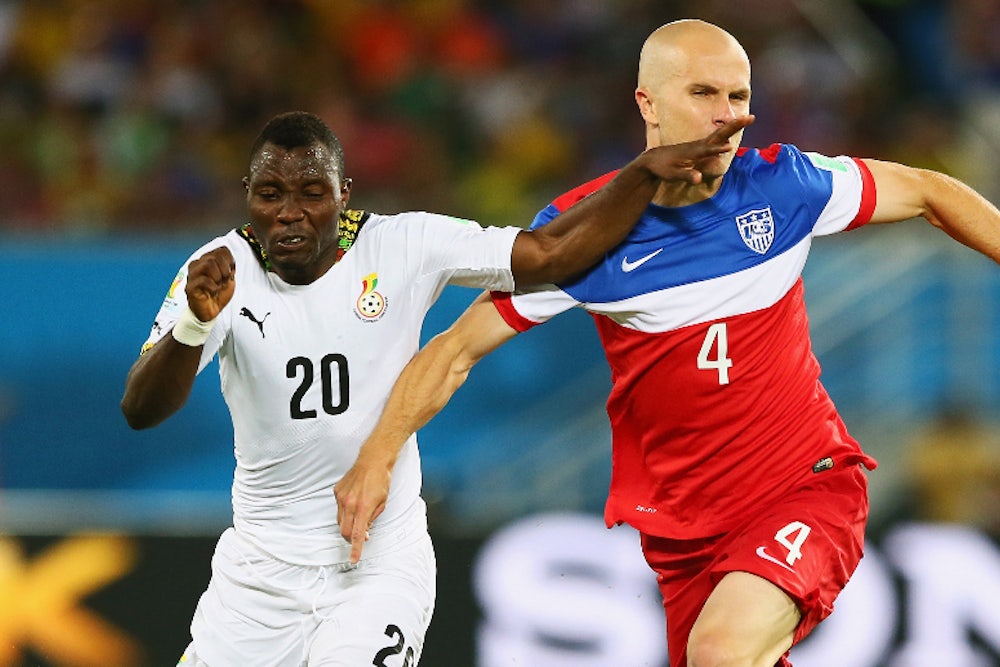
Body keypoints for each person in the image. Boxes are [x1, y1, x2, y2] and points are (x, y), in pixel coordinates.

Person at [335, 19, 1000, 667]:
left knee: (721, 653)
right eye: (703, 93)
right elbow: (454, 350)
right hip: (685, 535)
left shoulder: (786, 185)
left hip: (806, 485)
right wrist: (376, 455)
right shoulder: (584, 234)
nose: (725, 115)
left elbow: (927, 190)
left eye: (738, 96)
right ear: (647, 104)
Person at [119, 109, 752, 666]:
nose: (289, 212)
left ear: (343, 194)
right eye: (269, 194)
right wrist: (193, 325)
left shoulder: (402, 245)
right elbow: (141, 409)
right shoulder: (219, 270)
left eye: (312, 193)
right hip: (259, 577)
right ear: (247, 196)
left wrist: (642, 174)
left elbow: (548, 253)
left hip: (377, 567)